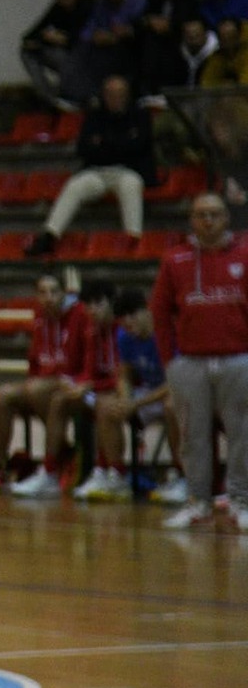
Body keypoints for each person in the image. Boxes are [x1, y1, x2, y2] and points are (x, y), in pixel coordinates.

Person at [149, 191, 248, 532]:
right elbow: (160, 313)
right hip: (189, 363)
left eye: (215, 214)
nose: (208, 221)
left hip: (239, 359)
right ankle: (197, 502)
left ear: (227, 218)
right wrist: (169, 362)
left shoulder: (246, 252)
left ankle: (240, 500)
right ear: (192, 220)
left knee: (242, 433)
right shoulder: (175, 259)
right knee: (192, 436)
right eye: (201, 214)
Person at [24, 75, 156, 256]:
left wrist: (104, 144)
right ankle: (50, 235)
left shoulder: (140, 116)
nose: (115, 99)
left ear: (127, 95)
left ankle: (133, 239)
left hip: (128, 171)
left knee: (131, 186)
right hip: (96, 171)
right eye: (110, 94)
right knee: (75, 185)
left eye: (119, 94)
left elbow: (140, 146)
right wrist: (121, 143)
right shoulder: (94, 116)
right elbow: (84, 148)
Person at [0, 273, 91, 495]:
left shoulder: (81, 314)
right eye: (43, 293)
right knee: (2, 395)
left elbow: (87, 359)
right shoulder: (39, 317)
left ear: (64, 292)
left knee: (36, 389)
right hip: (43, 382)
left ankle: (58, 458)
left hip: (71, 380)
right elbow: (35, 359)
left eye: (54, 291)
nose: (49, 297)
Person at [76, 289, 184, 503]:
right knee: (106, 406)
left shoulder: (168, 333)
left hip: (174, 392)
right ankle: (117, 475)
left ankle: (180, 475)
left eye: (133, 317)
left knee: (173, 407)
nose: (128, 324)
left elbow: (176, 383)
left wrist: (136, 403)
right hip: (147, 393)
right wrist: (126, 399)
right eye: (123, 320)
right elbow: (124, 374)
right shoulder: (124, 336)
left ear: (147, 311)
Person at [37, 279, 121, 497]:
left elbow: (126, 377)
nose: (92, 310)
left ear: (111, 303)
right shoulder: (92, 331)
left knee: (104, 404)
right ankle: (49, 473)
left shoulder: (123, 329)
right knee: (60, 399)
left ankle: (112, 472)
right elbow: (90, 371)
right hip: (102, 390)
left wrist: (91, 385)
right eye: (88, 305)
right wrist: (78, 384)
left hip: (125, 392)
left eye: (98, 304)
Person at [19, 0, 94, 109]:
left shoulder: (88, 6)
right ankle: (49, 98)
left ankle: (73, 96)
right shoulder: (57, 9)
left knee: (64, 57)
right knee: (27, 52)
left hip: (84, 56)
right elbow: (32, 34)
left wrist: (63, 39)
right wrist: (46, 39)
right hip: (65, 54)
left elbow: (85, 38)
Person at [75, 0, 145, 93]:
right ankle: (85, 94)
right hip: (105, 44)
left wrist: (119, 35)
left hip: (131, 45)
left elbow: (140, 27)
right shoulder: (102, 3)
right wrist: (94, 35)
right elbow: (90, 27)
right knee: (83, 49)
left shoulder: (137, 2)